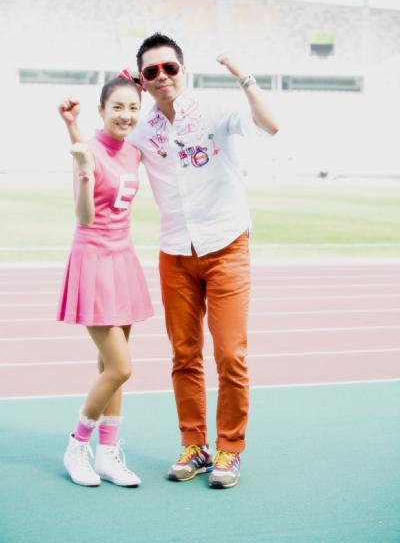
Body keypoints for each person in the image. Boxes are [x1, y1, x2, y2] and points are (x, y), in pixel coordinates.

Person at [61, 33, 279, 489]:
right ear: (143, 79)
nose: (162, 76)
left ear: (183, 70)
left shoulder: (215, 110)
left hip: (225, 245)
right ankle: (194, 446)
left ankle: (229, 448)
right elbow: (103, 144)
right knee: (184, 356)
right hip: (176, 251)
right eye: (152, 71)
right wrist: (74, 129)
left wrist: (244, 75)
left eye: (170, 68)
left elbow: (270, 124)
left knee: (230, 355)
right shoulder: (141, 128)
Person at [57, 75, 153, 487]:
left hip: (123, 260)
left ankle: (107, 454)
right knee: (120, 367)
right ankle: (77, 446)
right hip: (93, 261)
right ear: (101, 111)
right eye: (117, 107)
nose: (126, 115)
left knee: (108, 365)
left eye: (133, 108)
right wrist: (83, 170)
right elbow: (84, 217)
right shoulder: (88, 150)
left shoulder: (134, 151)